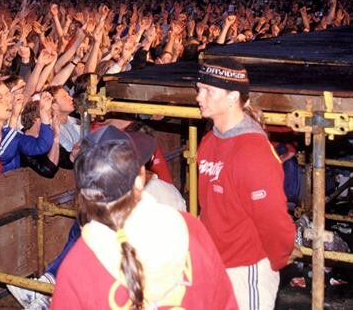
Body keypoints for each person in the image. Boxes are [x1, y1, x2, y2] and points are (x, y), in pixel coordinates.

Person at [51, 125, 237, 309]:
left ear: (83, 191)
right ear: (141, 178)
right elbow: (225, 303)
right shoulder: (188, 228)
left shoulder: (77, 267)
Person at [195, 57, 295, 310]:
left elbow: (272, 219)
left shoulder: (252, 151)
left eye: (208, 91)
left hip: (246, 269)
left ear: (232, 97)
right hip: (215, 264)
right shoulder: (209, 141)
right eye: (199, 89)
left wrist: (277, 259)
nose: (199, 97)